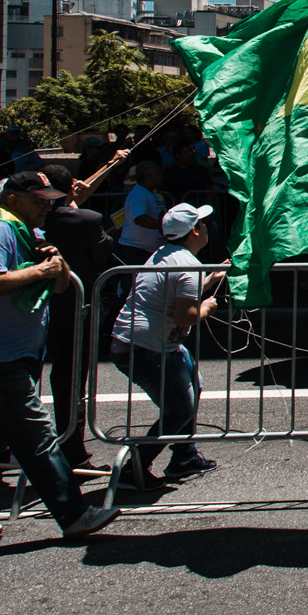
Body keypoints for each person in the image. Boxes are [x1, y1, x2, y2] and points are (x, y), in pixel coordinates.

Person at [0, 171, 119, 542]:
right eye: (38, 201)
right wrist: (37, 270)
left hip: (15, 350)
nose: (47, 207)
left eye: (49, 201)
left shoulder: (26, 232)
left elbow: (60, 285)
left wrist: (55, 264)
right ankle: (74, 513)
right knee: (37, 438)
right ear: (14, 200)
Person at [109, 203, 224, 484]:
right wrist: (207, 307)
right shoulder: (188, 265)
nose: (207, 226)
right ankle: (133, 469)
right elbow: (186, 315)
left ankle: (184, 455)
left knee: (192, 387)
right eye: (203, 223)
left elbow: (176, 291)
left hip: (150, 344)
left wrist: (209, 280)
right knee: (179, 410)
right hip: (146, 348)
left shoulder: (166, 254)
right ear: (195, 231)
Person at [41, 163, 120, 469]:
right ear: (71, 187)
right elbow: (103, 249)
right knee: (71, 381)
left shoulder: (34, 218)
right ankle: (72, 450)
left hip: (37, 308)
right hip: (74, 308)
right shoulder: (87, 219)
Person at [114, 159, 167, 266]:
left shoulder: (151, 194)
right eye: (158, 173)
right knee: (133, 283)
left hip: (147, 251)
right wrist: (164, 226)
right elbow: (139, 218)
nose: (161, 176)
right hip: (135, 251)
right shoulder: (139, 194)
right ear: (149, 175)